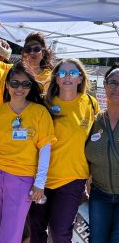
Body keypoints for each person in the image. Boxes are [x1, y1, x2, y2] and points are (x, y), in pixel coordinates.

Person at [0, 62, 56, 243]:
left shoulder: (40, 113)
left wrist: (39, 184)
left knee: (11, 233)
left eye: (25, 84)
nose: (19, 88)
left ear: (31, 86)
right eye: (14, 83)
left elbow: (45, 150)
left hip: (22, 179)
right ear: (7, 85)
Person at [29, 58, 99, 242]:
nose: (67, 77)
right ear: (56, 79)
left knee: (61, 233)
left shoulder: (91, 104)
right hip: (40, 179)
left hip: (72, 179)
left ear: (80, 78)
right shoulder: (44, 103)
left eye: (73, 73)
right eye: (62, 73)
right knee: (37, 229)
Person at [85, 64, 119, 243]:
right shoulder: (95, 120)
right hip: (99, 195)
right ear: (105, 85)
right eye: (113, 83)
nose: (117, 88)